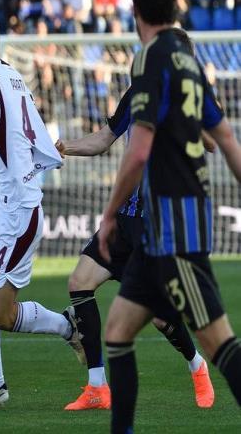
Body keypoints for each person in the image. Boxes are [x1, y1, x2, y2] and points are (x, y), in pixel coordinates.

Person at [96, 0, 241, 432]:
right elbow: (226, 138)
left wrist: (110, 213)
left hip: (177, 231)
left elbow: (138, 150)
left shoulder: (148, 59)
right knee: (118, 331)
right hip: (157, 234)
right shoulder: (187, 62)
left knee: (217, 341)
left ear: (136, 13)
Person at [56, 27, 215, 411]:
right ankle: (97, 386)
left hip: (157, 225)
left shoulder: (189, 99)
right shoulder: (136, 94)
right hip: (125, 218)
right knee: (80, 282)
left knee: (160, 317)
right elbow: (104, 139)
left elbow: (212, 141)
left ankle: (197, 365)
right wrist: (64, 148)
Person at [0, 13, 78, 410]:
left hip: (23, 210)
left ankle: (67, 326)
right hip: (5, 208)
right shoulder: (12, 75)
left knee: (0, 315)